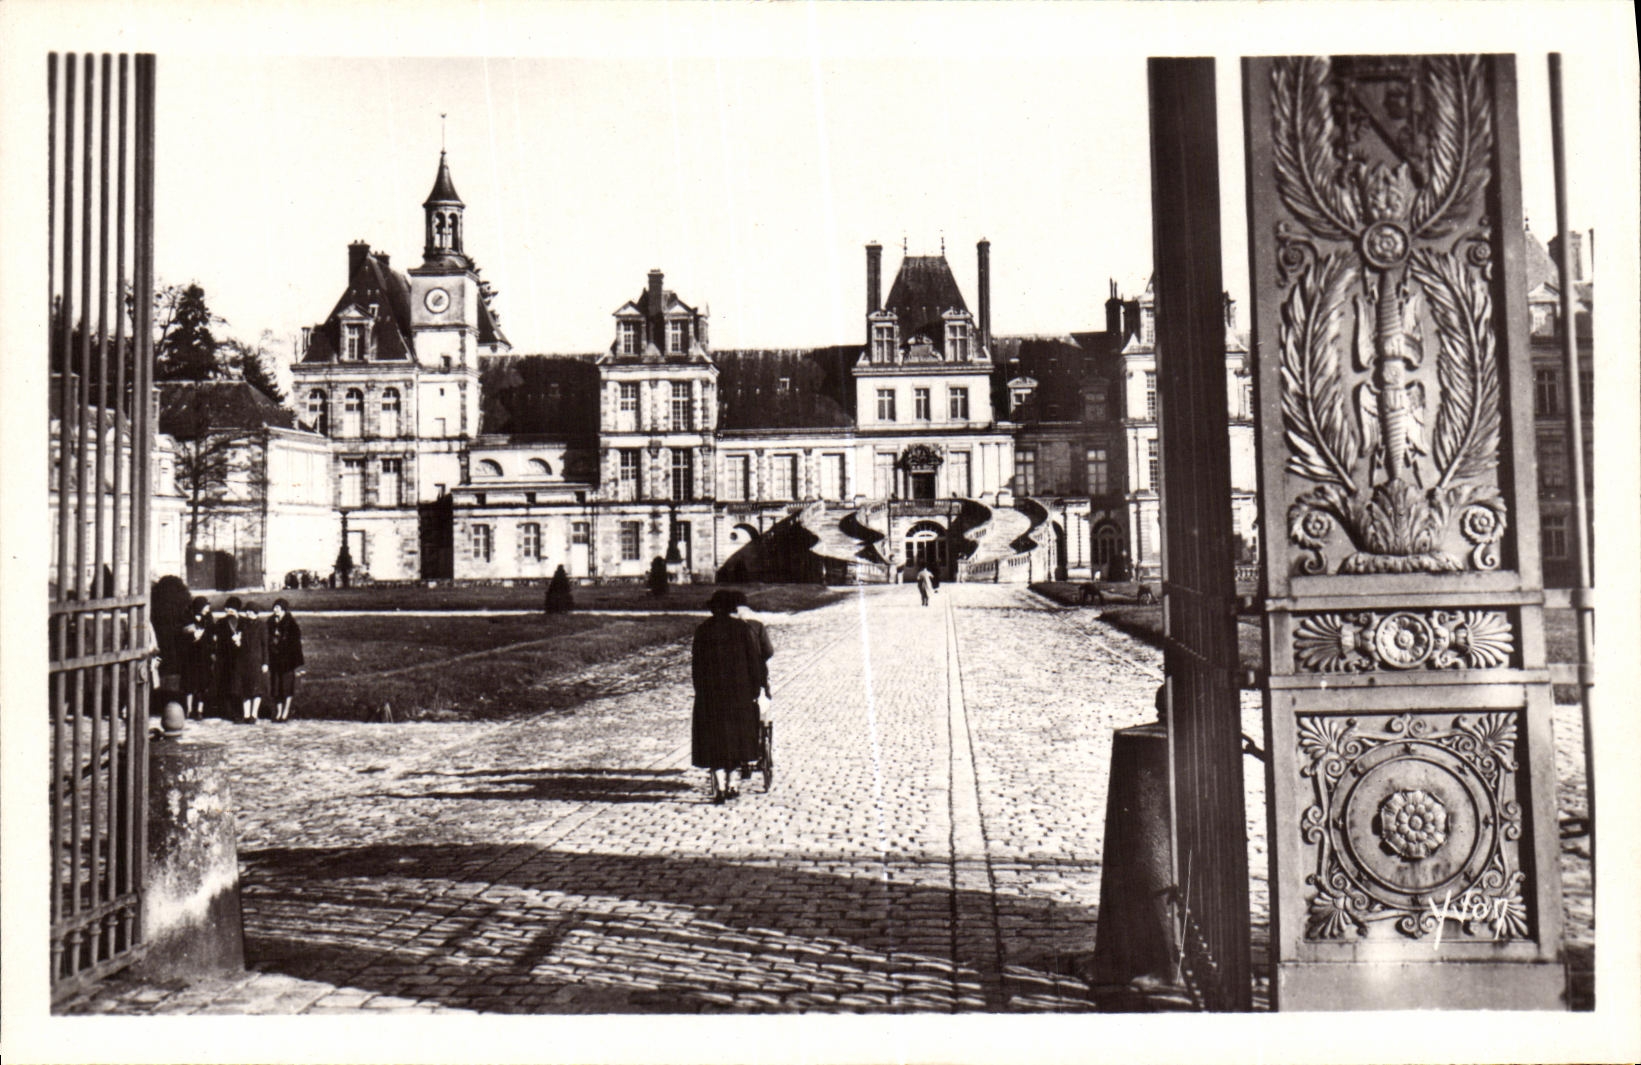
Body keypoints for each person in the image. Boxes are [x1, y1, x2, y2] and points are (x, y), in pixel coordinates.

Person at [691, 589, 767, 804]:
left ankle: (719, 787)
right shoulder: (742, 630)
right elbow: (753, 662)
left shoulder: (703, 631)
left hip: (710, 695)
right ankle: (732, 783)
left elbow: (696, 666)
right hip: (738, 695)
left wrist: (700, 691)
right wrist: (755, 690)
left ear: (714, 609)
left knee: (713, 739)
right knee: (735, 739)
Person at [267, 598, 305, 722]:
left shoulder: (291, 624)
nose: (275, 610)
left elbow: (295, 644)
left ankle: (285, 712)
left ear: (283, 609)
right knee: (276, 687)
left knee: (286, 687)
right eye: (274, 607)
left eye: (278, 608)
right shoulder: (270, 622)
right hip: (274, 659)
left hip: (287, 661)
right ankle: (278, 712)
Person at [180, 596, 215, 719]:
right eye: (206, 606)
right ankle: (188, 709)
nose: (208, 608)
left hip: (204, 657)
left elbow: (211, 637)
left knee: (202, 684)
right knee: (189, 684)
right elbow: (181, 637)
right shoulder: (187, 618)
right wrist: (193, 636)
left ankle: (199, 710)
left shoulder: (209, 620)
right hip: (190, 657)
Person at [237, 601, 271, 722]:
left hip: (257, 660)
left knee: (256, 689)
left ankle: (254, 714)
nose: (247, 613)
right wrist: (237, 642)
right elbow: (239, 640)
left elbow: (265, 645)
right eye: (246, 611)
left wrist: (265, 663)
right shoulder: (243, 624)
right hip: (244, 660)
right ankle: (246, 715)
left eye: (250, 611)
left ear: (255, 612)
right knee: (245, 688)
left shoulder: (262, 626)